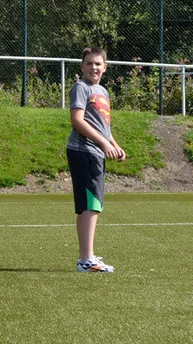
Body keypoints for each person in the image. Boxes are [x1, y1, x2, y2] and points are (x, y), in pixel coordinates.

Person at [67, 46, 126, 273]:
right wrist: (102, 143)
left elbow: (103, 126)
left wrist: (114, 144)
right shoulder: (80, 87)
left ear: (105, 67)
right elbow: (77, 121)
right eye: (89, 63)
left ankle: (86, 257)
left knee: (88, 207)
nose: (94, 67)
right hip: (84, 151)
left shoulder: (102, 91)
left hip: (94, 152)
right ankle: (87, 260)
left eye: (98, 64)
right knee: (92, 205)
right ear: (82, 67)